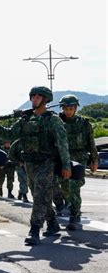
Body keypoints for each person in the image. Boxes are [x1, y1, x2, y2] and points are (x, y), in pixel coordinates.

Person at [0, 86, 71, 245]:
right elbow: (9, 135)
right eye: (32, 96)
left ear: (45, 99)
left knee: (40, 194)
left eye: (38, 97)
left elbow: (62, 143)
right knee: (38, 195)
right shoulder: (25, 119)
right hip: (29, 163)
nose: (34, 99)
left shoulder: (53, 119)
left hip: (47, 162)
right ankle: (53, 223)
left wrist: (66, 165)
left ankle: (34, 230)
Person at [58, 94, 98, 230]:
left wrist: (94, 160)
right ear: (62, 108)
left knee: (74, 187)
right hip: (62, 158)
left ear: (75, 108)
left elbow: (91, 143)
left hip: (79, 158)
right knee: (64, 187)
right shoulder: (57, 122)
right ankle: (67, 205)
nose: (68, 111)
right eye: (66, 108)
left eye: (71, 108)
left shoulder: (84, 123)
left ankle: (74, 214)